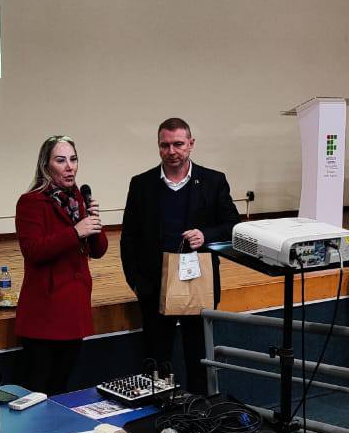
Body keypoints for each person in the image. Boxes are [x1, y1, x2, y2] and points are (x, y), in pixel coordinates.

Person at [120, 117, 239, 395]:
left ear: (191, 144)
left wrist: (206, 235)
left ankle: (199, 409)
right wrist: (135, 281)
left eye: (178, 144)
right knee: (156, 357)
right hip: (154, 284)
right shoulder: (141, 184)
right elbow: (129, 237)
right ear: (158, 146)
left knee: (198, 354)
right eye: (165, 145)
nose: (171, 151)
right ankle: (159, 409)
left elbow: (233, 224)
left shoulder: (213, 181)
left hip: (198, 282)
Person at [16, 135, 108, 395]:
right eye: (61, 160)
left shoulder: (78, 199)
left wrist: (94, 221)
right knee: (39, 390)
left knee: (62, 388)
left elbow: (99, 250)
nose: (70, 167)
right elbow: (33, 250)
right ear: (46, 166)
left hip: (74, 308)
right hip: (46, 313)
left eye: (73, 159)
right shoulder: (31, 202)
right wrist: (76, 232)